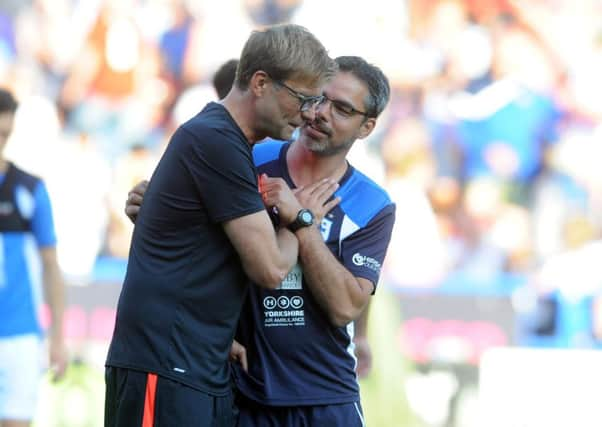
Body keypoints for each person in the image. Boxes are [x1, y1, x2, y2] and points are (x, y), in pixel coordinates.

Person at [126, 55, 395, 426]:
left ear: (366, 127)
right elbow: (195, 241)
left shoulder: (371, 203)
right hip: (243, 392)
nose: (320, 114)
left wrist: (301, 223)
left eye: (342, 109)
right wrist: (155, 211)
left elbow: (345, 306)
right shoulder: (248, 158)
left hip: (326, 397)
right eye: (319, 98)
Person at [105, 24, 336, 427]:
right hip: (166, 366)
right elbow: (270, 268)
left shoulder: (227, 142)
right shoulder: (216, 141)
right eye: (303, 98)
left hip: (190, 365)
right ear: (261, 83)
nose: (308, 114)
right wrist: (300, 219)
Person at [0, 88, 68, 427]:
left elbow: (51, 266)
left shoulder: (29, 189)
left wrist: (57, 338)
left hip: (19, 336)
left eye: (4, 135)